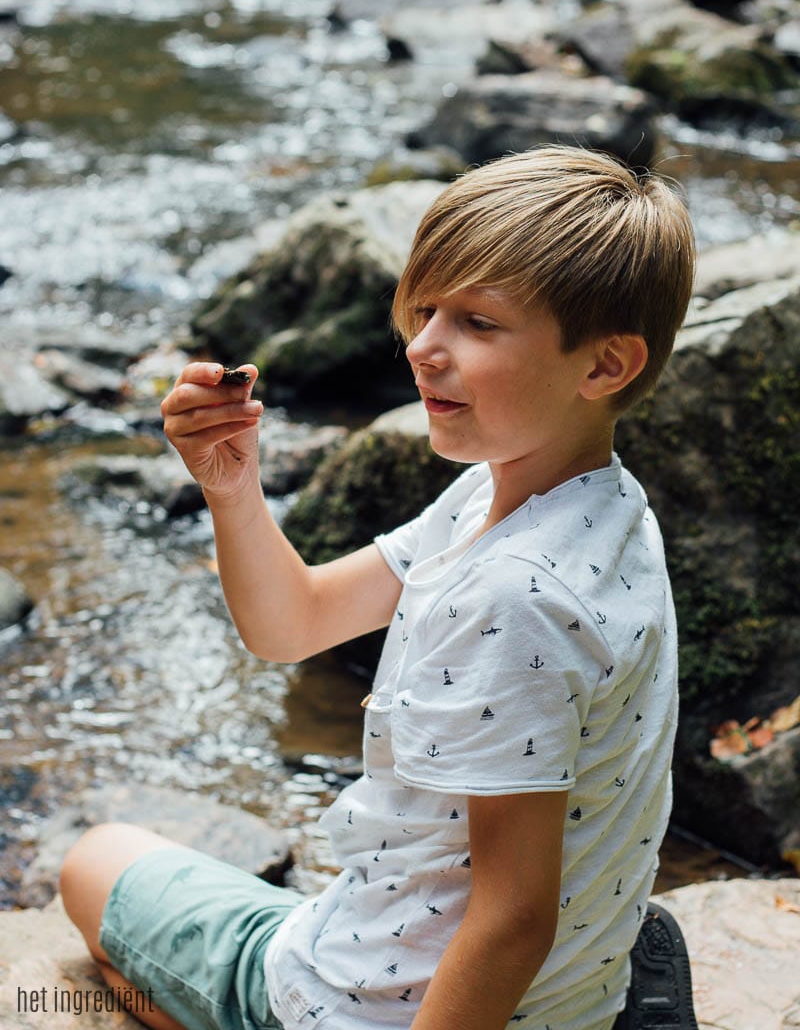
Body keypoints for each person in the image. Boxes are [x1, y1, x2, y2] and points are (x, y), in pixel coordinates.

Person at [60, 145, 699, 1030]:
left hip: (369, 1004)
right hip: (556, 988)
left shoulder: (516, 597)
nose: (422, 348)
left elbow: (513, 921)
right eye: (425, 311)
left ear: (604, 366)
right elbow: (294, 624)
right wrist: (232, 487)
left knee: (91, 864)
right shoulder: (574, 501)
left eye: (477, 323)